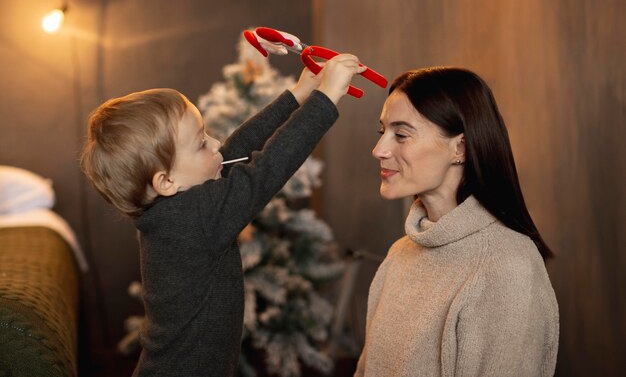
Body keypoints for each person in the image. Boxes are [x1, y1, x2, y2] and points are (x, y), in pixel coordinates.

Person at [80, 54, 364, 377]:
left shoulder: (171, 209)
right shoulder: (195, 218)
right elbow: (267, 169)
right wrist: (325, 100)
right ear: (166, 181)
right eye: (201, 143)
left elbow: (233, 153)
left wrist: (297, 96)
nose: (215, 143)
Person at [355, 67, 559, 377]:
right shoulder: (400, 254)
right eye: (381, 131)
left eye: (401, 134)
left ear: (459, 148)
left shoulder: (507, 267)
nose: (379, 149)